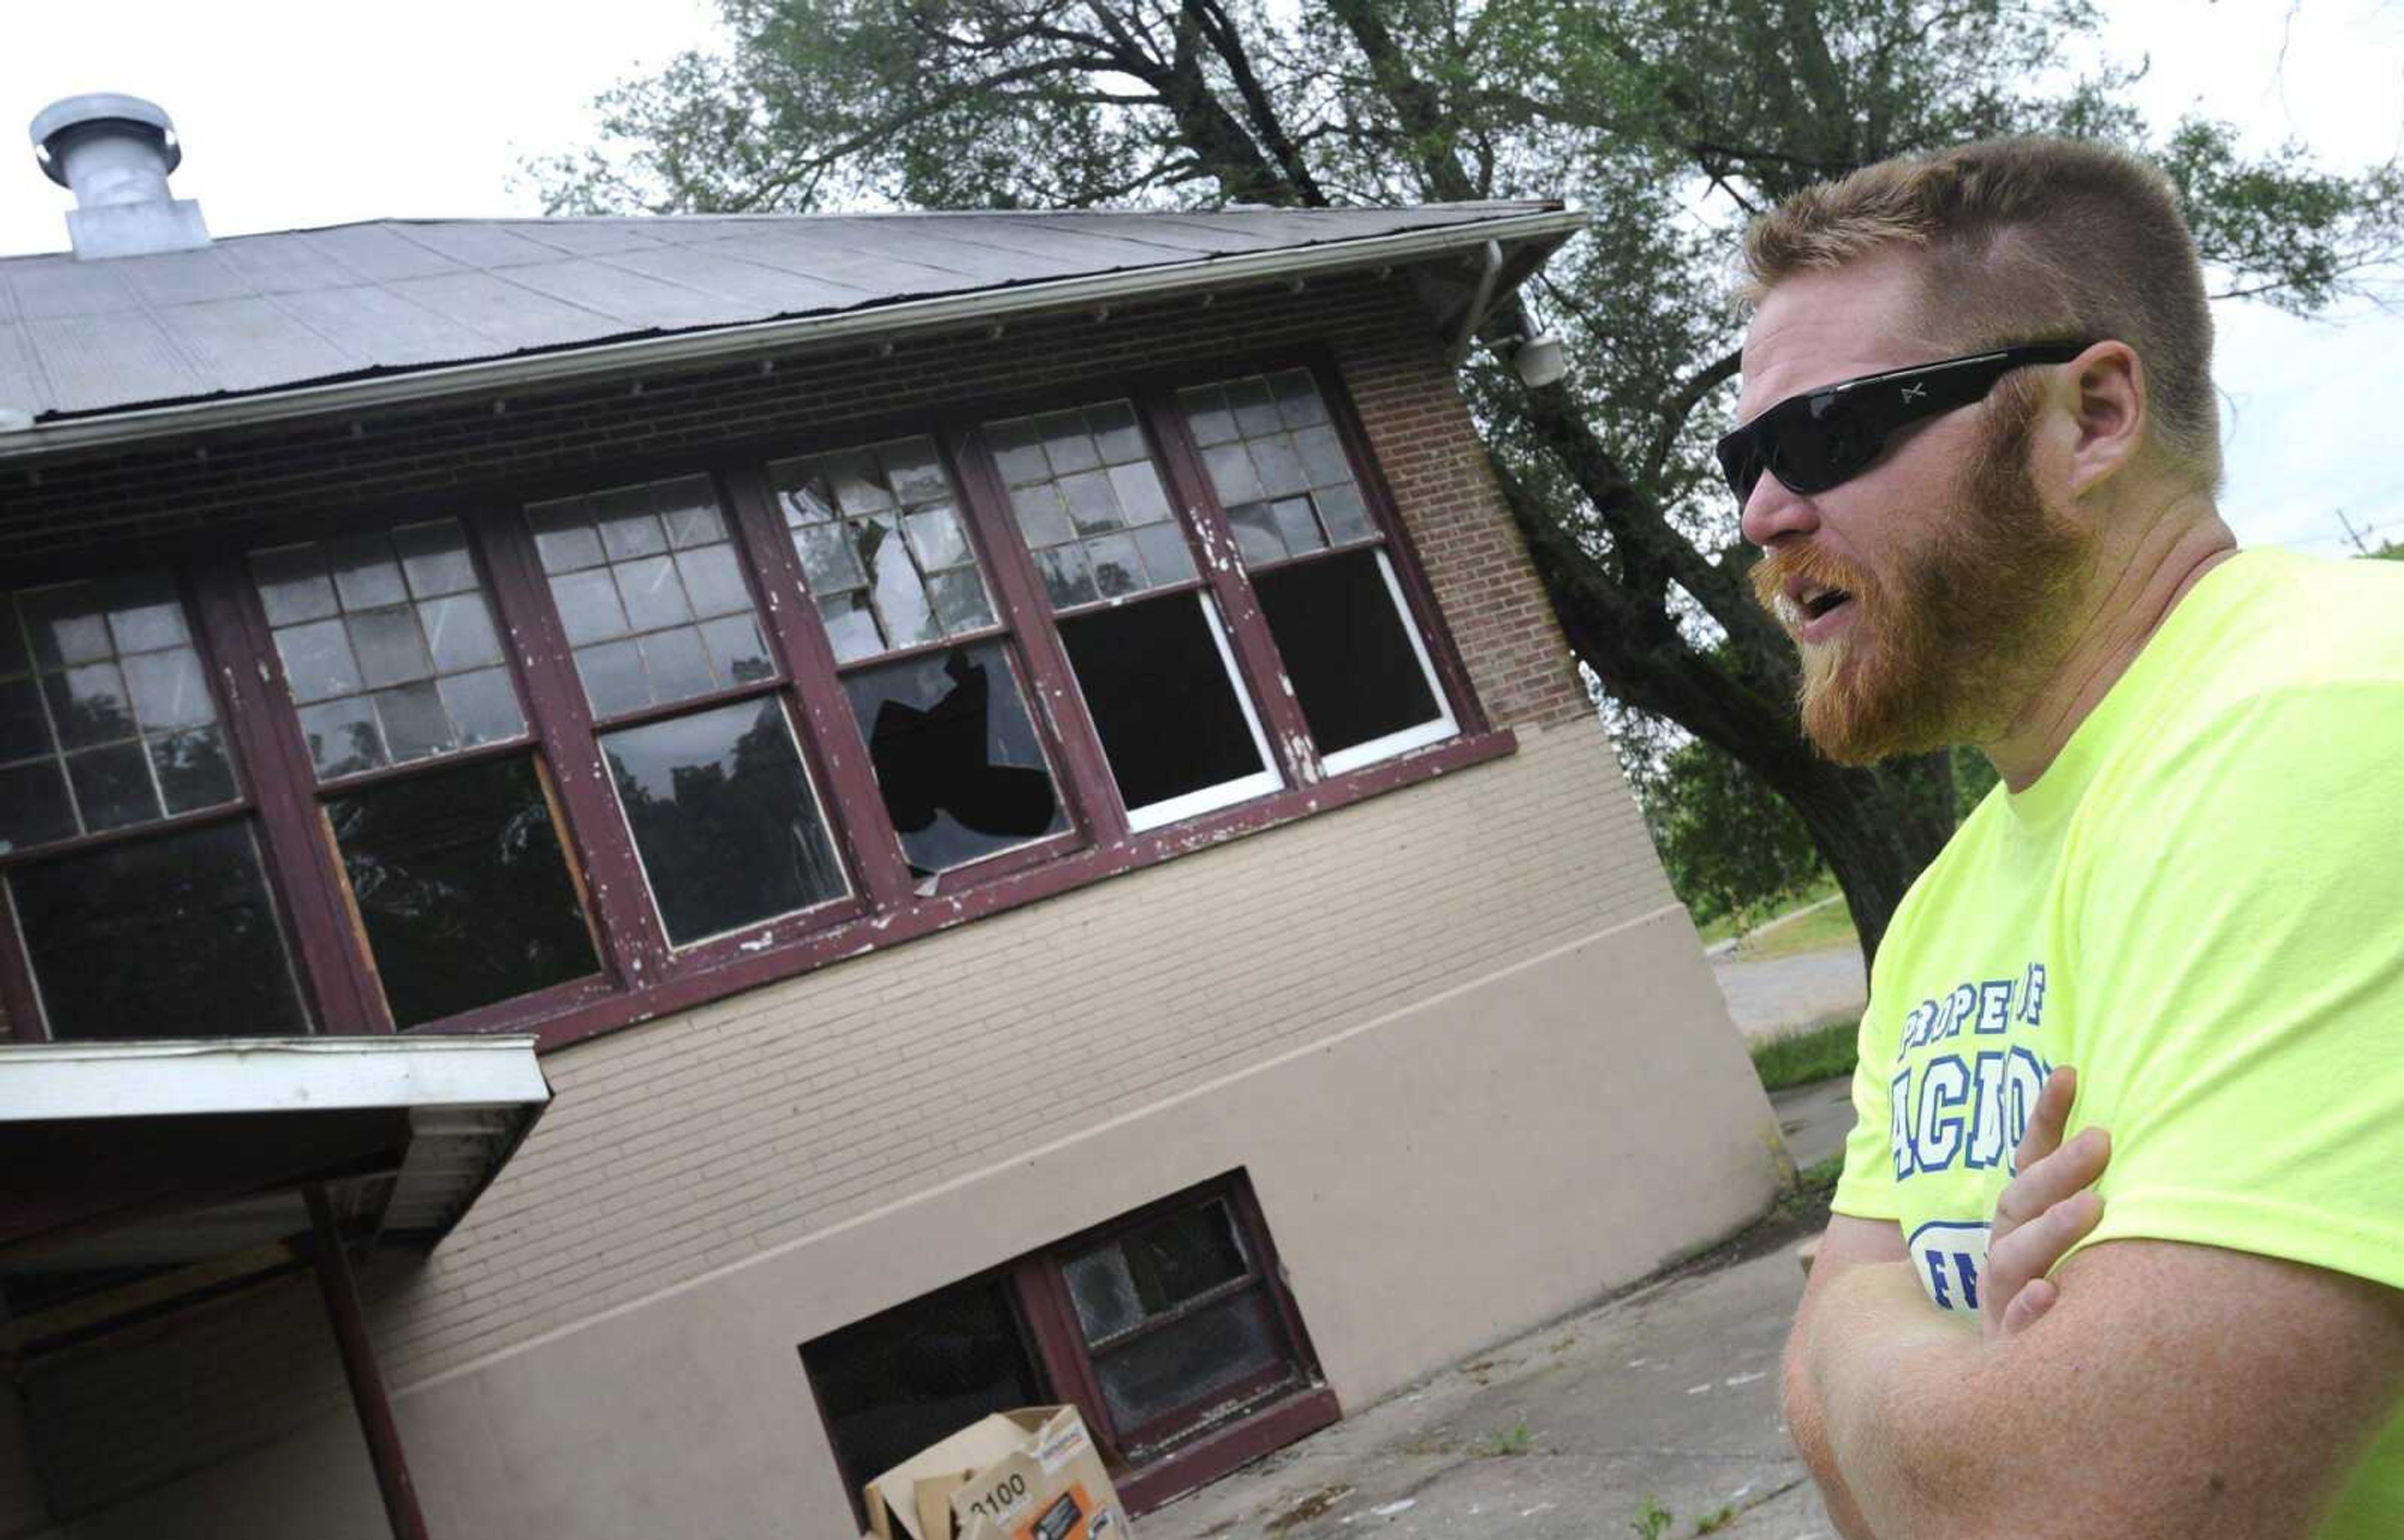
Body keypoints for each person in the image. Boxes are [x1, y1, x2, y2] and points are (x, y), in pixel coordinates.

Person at [1730, 135, 2404, 1538]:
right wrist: (1942, 1386)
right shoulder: (1941, 913)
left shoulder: (2336, 729)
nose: (1763, 513)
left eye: (1828, 435)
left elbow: (2061, 1505)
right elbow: (1861, 1479)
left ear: (2092, 417)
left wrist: (1872, 1319)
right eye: (1744, 455)